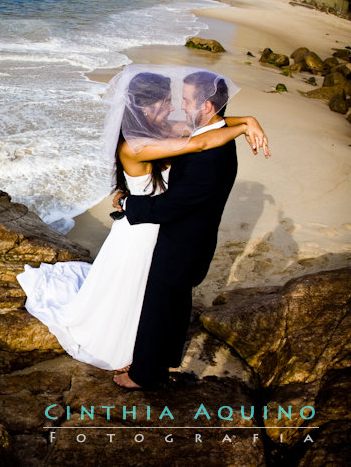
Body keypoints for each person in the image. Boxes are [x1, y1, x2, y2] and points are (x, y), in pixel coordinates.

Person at [17, 65, 269, 374]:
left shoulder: (161, 132)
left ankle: (141, 350)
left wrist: (247, 120)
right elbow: (202, 142)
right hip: (138, 230)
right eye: (165, 102)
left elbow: (207, 127)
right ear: (143, 107)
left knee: (146, 293)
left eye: (176, 101)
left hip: (156, 227)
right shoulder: (135, 146)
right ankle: (120, 347)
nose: (174, 107)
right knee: (130, 288)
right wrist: (245, 126)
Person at [111, 68, 269, 389]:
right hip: (188, 240)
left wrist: (128, 204)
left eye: (185, 100)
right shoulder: (208, 139)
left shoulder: (208, 155)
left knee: (160, 306)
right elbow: (202, 139)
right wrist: (245, 121)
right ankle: (162, 357)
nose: (181, 107)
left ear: (207, 106)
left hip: (181, 241)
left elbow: (172, 206)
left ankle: (144, 375)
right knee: (173, 304)